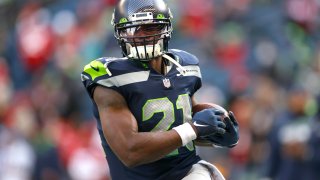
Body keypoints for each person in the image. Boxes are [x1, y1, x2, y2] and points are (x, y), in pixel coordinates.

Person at [81, 0, 239, 179]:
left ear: (165, 29)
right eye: (131, 30)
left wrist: (216, 134)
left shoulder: (185, 66)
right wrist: (193, 129)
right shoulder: (111, 77)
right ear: (119, 33)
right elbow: (130, 152)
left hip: (186, 172)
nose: (140, 36)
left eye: (149, 28)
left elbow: (185, 122)